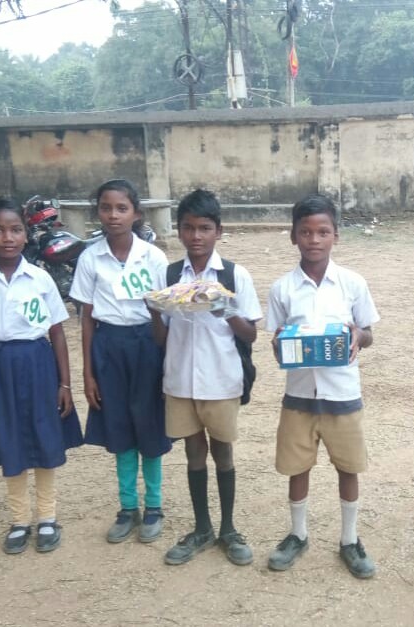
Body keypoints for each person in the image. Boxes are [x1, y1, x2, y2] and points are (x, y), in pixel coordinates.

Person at [0, 199, 83, 554]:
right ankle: (19, 520)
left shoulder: (40, 279)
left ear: (27, 235)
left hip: (38, 363)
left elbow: (57, 332)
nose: (7, 237)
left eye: (15, 230)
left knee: (45, 437)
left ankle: (47, 517)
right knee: (8, 438)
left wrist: (65, 383)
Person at [266, 193, 380, 579]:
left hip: (342, 393)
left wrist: (357, 336)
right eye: (306, 232)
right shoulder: (283, 288)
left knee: (348, 467)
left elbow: (368, 333)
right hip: (299, 395)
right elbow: (276, 340)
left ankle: (349, 539)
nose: (314, 240)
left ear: (335, 236)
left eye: (323, 232)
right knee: (297, 466)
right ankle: (298, 534)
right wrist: (280, 344)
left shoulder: (352, 283)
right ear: (293, 236)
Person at [153, 189, 261, 567]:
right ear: (179, 230)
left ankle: (228, 528)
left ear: (218, 231)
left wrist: (223, 308)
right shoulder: (169, 274)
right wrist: (153, 310)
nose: (196, 236)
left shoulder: (234, 275)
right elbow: (160, 338)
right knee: (193, 451)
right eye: (188, 228)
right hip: (180, 379)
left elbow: (251, 334)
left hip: (221, 379)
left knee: (223, 451)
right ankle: (202, 528)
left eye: (204, 228)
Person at [70, 179, 172, 544]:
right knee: (120, 426)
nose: (113, 215)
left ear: (136, 214)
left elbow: (166, 313)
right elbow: (86, 318)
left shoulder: (154, 257)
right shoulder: (90, 258)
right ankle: (128, 507)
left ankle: (154, 506)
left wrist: (166, 364)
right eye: (106, 208)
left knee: (150, 425)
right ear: (97, 212)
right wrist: (88, 373)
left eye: (122, 208)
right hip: (109, 347)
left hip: (148, 344)